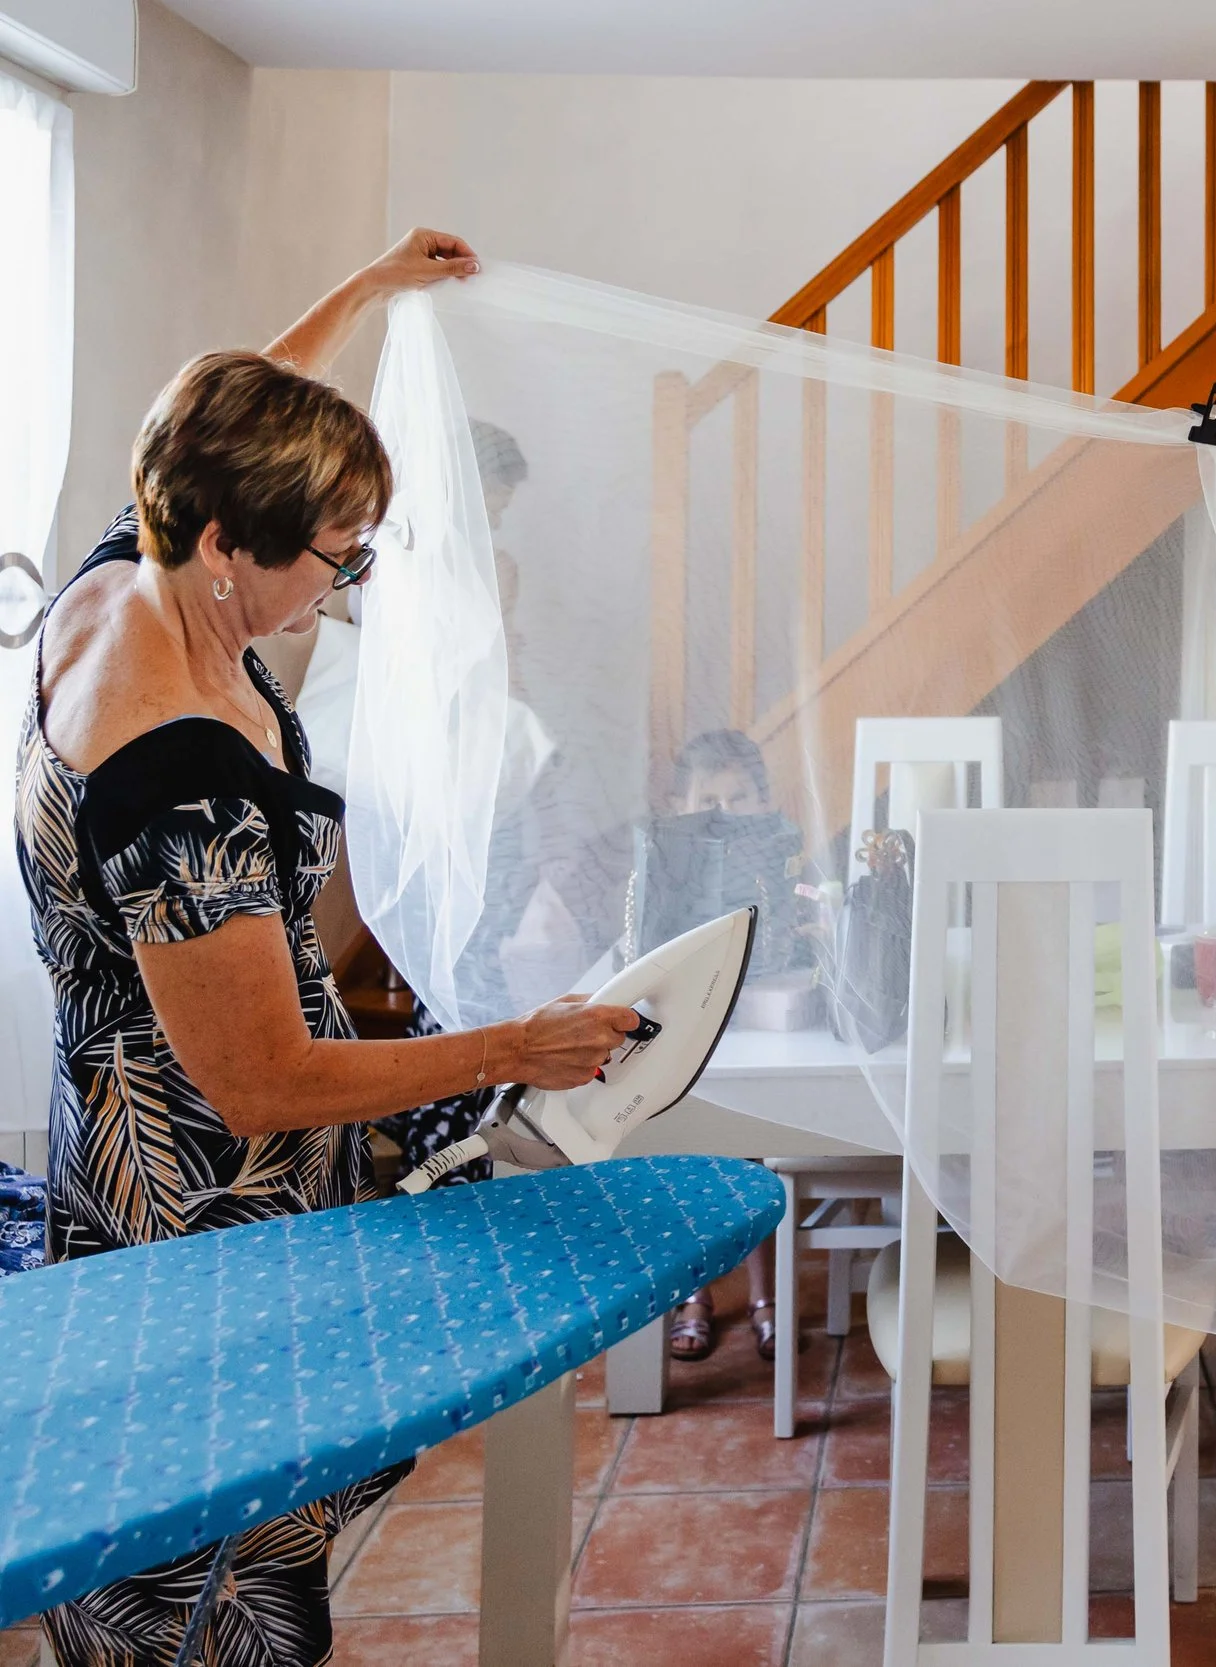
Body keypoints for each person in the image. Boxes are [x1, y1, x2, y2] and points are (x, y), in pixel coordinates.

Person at [19, 228, 643, 1666]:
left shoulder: (127, 576)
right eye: (335, 556)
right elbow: (261, 1077)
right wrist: (517, 1045)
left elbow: (219, 407)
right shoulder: (173, 773)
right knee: (210, 1577)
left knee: (172, 1557)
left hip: (110, 1126)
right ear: (232, 542)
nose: (348, 584)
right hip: (194, 1203)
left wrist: (365, 291)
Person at [659, 727, 793, 1363]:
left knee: (756, 1150)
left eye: (740, 800)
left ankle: (767, 1296)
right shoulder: (666, 861)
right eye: (708, 800)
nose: (722, 814)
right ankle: (694, 1294)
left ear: (764, 805)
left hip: (758, 1018)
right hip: (689, 1023)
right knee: (690, 1154)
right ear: (679, 805)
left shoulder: (775, 855)